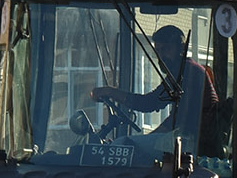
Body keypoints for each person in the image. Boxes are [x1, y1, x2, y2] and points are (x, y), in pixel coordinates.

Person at [91, 25, 221, 148]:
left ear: (182, 48)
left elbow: (152, 105)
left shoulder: (187, 72)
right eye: (158, 50)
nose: (161, 56)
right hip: (190, 139)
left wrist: (109, 92)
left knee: (122, 144)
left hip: (193, 141)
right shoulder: (184, 70)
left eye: (166, 49)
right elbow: (155, 105)